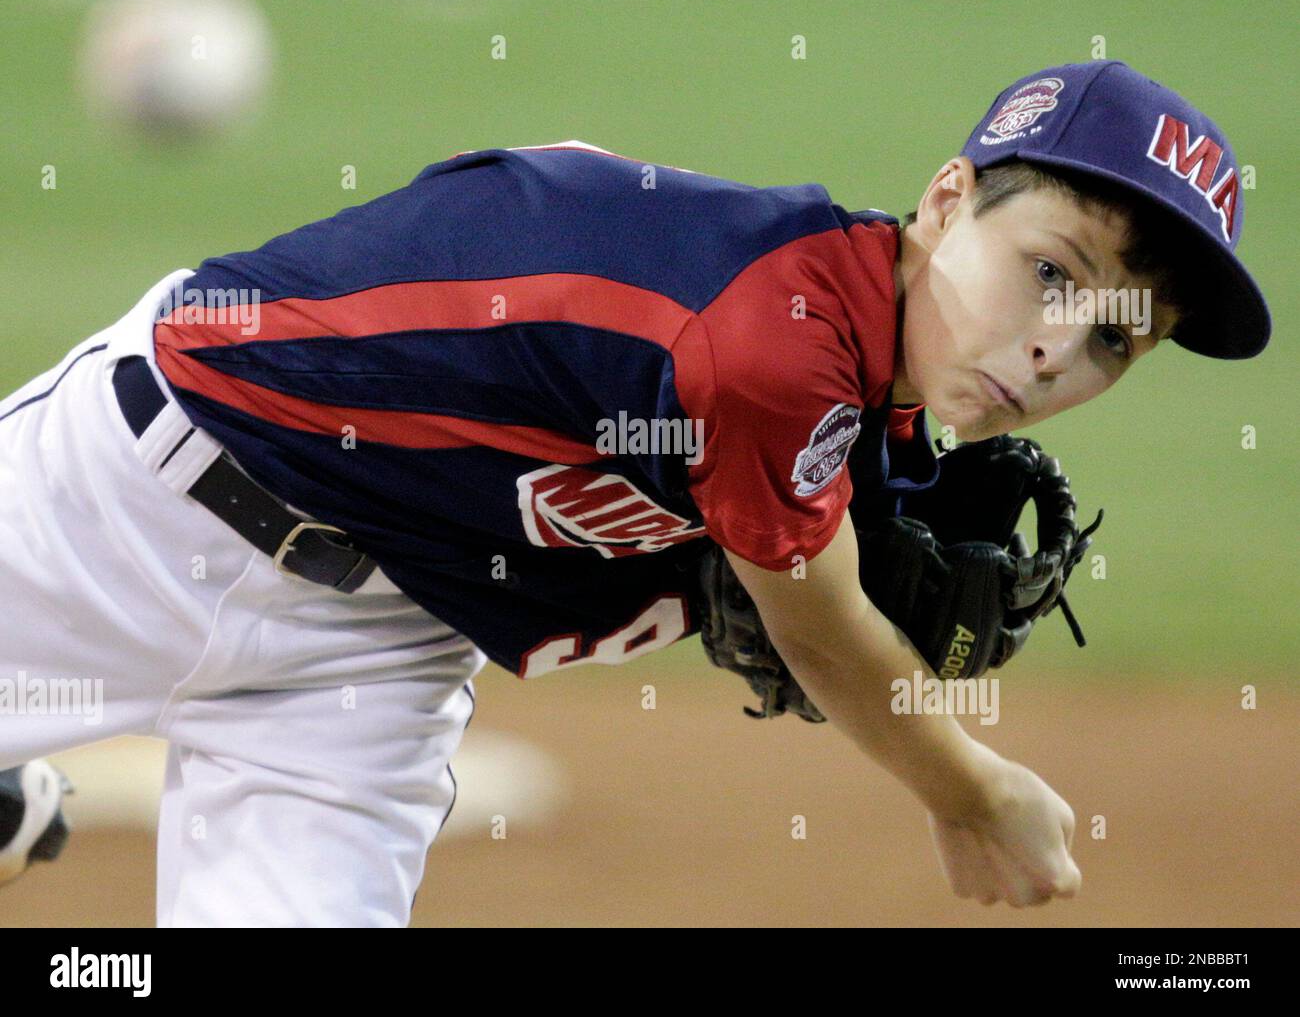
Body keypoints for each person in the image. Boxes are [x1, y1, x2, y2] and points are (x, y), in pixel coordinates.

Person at [0, 60, 1269, 923]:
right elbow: (820, 634)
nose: (1057, 350)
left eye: (1115, 337)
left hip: (368, 664)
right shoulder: (776, 338)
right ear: (945, 202)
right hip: (124, 504)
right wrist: (972, 791)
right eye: (1049, 271)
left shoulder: (865, 407)